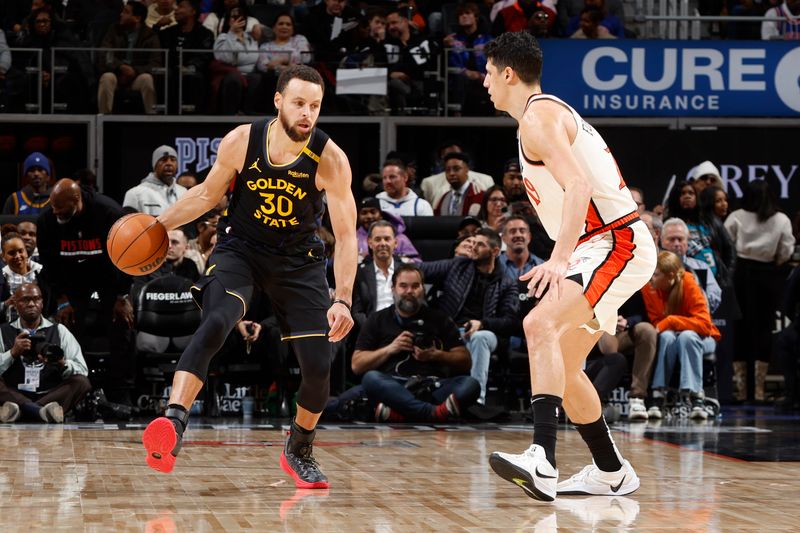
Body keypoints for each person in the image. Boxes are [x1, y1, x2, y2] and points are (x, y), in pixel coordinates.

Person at [141, 65, 357, 491]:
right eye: (299, 103)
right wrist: (158, 225)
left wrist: (344, 298)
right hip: (241, 249)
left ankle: (299, 447)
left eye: (315, 106)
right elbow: (206, 194)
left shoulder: (330, 159)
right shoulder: (243, 139)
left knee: (318, 368)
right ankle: (173, 423)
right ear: (278, 102)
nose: (307, 114)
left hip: (299, 262)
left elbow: (348, 236)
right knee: (217, 320)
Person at [482, 32, 657, 502]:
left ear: (507, 73)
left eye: (487, 72)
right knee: (565, 362)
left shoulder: (537, 117)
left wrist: (559, 260)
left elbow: (578, 185)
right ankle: (611, 470)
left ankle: (542, 458)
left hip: (612, 240)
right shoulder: (545, 114)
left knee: (538, 322)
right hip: (604, 243)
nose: (484, 83)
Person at [37, 179, 135, 404]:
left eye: (60, 208)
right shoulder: (47, 220)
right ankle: (74, 390)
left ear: (76, 200)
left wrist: (122, 295)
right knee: (65, 327)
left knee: (123, 323)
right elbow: (48, 264)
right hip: (71, 282)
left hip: (109, 279)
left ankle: (122, 393)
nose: (55, 212)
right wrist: (61, 300)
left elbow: (129, 255)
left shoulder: (110, 213)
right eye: (52, 206)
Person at [351, 264, 481, 422]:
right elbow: (357, 365)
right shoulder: (377, 319)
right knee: (371, 379)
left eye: (415, 286)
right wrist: (391, 349)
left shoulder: (439, 319)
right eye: (403, 286)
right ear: (393, 289)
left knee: (471, 384)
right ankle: (431, 413)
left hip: (432, 386)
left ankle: (400, 413)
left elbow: (466, 361)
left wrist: (437, 355)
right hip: (393, 385)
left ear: (423, 289)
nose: (409, 291)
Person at [420, 228, 519, 405]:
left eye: (480, 244)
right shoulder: (458, 266)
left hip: (487, 335)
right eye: (472, 243)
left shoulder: (506, 282)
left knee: (479, 338)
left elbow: (510, 322)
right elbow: (422, 269)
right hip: (453, 331)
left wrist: (482, 323)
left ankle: (475, 400)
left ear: (495, 251)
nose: (473, 247)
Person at [725, 180, 795, 402]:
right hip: (768, 274)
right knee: (764, 328)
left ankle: (742, 388)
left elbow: (726, 244)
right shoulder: (781, 219)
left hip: (741, 273)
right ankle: (759, 389)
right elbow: (786, 250)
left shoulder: (737, 215)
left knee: (740, 328)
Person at [642, 251, 720, 420]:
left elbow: (705, 325)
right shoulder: (649, 289)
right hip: (671, 337)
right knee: (667, 337)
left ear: (670, 276)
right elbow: (656, 323)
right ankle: (658, 395)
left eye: (656, 275)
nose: (651, 278)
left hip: (702, 338)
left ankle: (696, 397)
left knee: (687, 337)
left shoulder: (689, 283)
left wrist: (671, 321)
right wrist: (669, 325)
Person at [0, 284, 91, 424]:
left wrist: (62, 363)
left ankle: (21, 411)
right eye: (25, 300)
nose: (31, 304)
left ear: (42, 303)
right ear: (15, 304)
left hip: (50, 395)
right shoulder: (3, 331)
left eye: (36, 299)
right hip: (14, 392)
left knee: (82, 382)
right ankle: (41, 412)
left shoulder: (59, 330)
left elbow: (82, 370)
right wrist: (12, 353)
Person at [97, 1, 162, 114]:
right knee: (107, 77)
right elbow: (105, 54)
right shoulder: (113, 29)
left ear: (137, 18)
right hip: (116, 75)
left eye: (126, 12)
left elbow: (155, 64)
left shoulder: (150, 36)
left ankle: (152, 119)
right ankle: (104, 119)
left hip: (136, 77)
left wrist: (134, 71)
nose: (121, 14)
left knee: (147, 79)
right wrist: (120, 67)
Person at [419, 140, 494, 204]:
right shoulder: (429, 182)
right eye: (448, 157)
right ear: (441, 160)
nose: (453, 160)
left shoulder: (485, 180)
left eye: (456, 155)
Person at [123, 145, 186, 216]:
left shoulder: (184, 193)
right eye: (164, 159)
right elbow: (129, 225)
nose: (169, 163)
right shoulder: (134, 194)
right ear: (155, 165)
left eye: (173, 159)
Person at [356, 197, 419, 263]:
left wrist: (398, 259)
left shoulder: (400, 238)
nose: (369, 216)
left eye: (373, 212)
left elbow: (417, 263)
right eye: (364, 213)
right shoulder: (353, 238)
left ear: (381, 215)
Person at [0, 233, 43, 322]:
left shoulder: (41, 272)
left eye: (20, 251)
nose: (17, 256)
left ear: (26, 252)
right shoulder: (2, 276)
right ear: (3, 257)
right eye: (11, 253)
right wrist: (6, 304)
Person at [433, 152, 484, 216]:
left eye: (456, 169)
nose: (451, 173)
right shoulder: (443, 197)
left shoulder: (479, 195)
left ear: (467, 170)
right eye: (447, 170)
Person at [499, 215, 543, 280]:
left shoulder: (542, 266)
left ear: (529, 236)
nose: (518, 235)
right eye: (513, 231)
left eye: (522, 231)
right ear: (503, 238)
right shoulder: (494, 266)